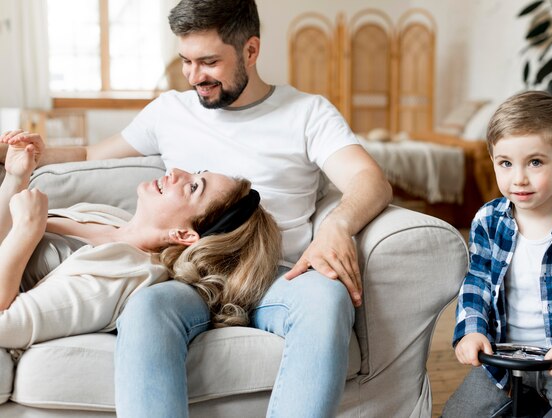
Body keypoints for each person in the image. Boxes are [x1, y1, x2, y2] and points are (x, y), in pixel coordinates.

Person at [0, 0, 393, 416]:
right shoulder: (170, 110)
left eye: (208, 62)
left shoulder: (306, 113)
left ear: (251, 51)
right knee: (148, 308)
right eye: (186, 61)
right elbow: (92, 151)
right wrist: (32, 154)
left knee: (328, 298)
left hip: (280, 274)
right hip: (187, 274)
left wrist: (338, 225)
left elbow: (370, 180)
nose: (194, 77)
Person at [0, 131, 282, 349]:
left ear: (184, 235)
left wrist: (25, 233)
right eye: (196, 172)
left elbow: (6, 325)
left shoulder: (121, 275)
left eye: (193, 187)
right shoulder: (110, 218)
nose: (176, 173)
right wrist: (15, 177)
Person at [442, 91, 552, 418]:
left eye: (535, 162)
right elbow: (478, 282)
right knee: (458, 413)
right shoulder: (488, 220)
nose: (519, 178)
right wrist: (472, 329)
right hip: (503, 364)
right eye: (506, 163)